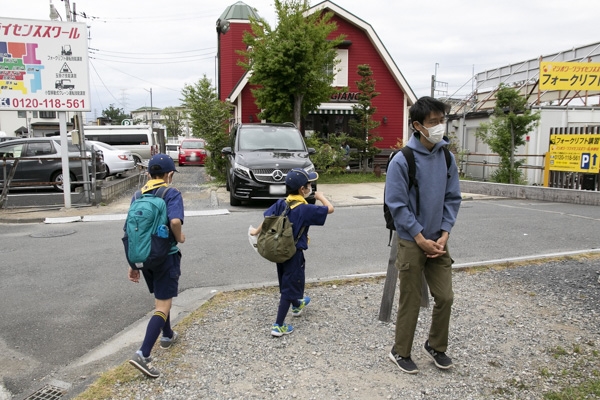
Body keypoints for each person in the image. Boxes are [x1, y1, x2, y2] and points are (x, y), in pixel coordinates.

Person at [384, 96, 462, 374]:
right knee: (411, 299)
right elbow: (397, 204)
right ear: (418, 125)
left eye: (442, 121)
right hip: (411, 242)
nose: (440, 126)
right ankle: (400, 351)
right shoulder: (402, 160)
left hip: (438, 241)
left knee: (446, 297)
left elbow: (453, 198)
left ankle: (436, 346)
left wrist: (444, 233)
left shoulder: (446, 157)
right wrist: (420, 238)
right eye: (434, 122)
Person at [250, 168, 334, 337]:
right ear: (302, 189)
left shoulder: (281, 202)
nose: (310, 187)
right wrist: (320, 197)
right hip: (293, 253)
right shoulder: (305, 209)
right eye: (309, 185)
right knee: (290, 284)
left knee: (286, 279)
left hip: (279, 249)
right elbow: (330, 209)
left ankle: (297, 304)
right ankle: (278, 325)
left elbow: (267, 220)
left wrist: (255, 232)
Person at [128, 154, 186, 378]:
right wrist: (179, 237)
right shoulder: (171, 193)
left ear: (149, 173)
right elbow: (174, 221)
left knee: (162, 297)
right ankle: (143, 354)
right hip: (165, 256)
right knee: (162, 306)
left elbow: (130, 230)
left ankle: (167, 335)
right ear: (169, 174)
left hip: (144, 257)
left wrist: (133, 263)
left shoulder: (137, 195)